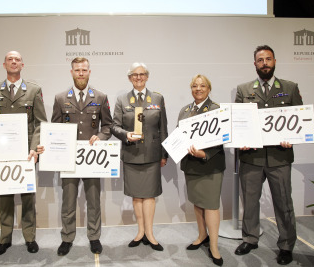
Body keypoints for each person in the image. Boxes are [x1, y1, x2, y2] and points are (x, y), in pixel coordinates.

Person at [234, 45, 303, 265]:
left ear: (275, 61)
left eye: (268, 59)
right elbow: (237, 122)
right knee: (250, 202)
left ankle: (286, 245)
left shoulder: (290, 88)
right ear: (254, 64)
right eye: (260, 60)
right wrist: (240, 142)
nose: (264, 63)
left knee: (284, 203)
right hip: (251, 158)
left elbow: (298, 121)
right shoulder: (243, 89)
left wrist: (292, 137)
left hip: (279, 157)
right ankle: (250, 238)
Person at [0, 51, 47, 256]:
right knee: (6, 196)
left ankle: (30, 237)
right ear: (4, 64)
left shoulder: (34, 90)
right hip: (1, 153)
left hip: (26, 153)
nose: (13, 62)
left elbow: (40, 122)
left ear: (22, 65)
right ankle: (5, 238)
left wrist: (34, 148)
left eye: (17, 59)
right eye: (10, 59)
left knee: (28, 196)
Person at [51, 57, 112, 256]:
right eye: (77, 70)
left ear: (89, 72)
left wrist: (101, 137)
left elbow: (108, 126)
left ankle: (94, 237)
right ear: (71, 72)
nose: (80, 73)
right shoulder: (61, 98)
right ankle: (67, 238)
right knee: (68, 202)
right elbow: (55, 128)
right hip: (69, 159)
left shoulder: (101, 96)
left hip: (92, 158)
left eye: (84, 70)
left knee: (93, 201)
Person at [111, 62, 168, 251]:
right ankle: (140, 232)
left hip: (152, 155)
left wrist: (164, 154)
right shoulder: (121, 100)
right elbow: (114, 126)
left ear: (147, 77)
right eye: (134, 75)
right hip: (132, 153)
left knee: (150, 196)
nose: (138, 78)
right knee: (137, 196)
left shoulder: (158, 98)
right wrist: (125, 135)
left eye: (142, 74)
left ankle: (150, 234)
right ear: (129, 78)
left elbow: (163, 129)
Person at [177, 74, 224, 266]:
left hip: (210, 164)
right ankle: (202, 235)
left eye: (202, 85)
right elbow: (179, 135)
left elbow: (222, 137)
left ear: (209, 88)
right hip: (191, 165)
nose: (198, 89)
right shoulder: (185, 110)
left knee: (211, 205)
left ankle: (214, 246)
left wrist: (204, 153)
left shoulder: (216, 109)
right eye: (195, 86)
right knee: (197, 201)